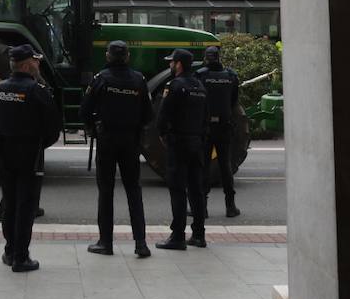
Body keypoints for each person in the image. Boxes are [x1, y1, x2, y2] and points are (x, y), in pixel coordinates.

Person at [0, 44, 61, 272]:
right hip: (29, 154)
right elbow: (54, 128)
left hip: (4, 152)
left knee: (10, 202)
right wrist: (39, 145)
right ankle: (21, 258)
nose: (38, 64)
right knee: (26, 205)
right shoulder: (37, 91)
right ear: (25, 64)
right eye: (35, 61)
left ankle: (9, 251)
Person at [80, 40, 153, 258]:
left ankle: (106, 242)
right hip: (131, 140)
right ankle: (141, 243)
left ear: (108, 57)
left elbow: (84, 111)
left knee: (106, 191)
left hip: (107, 139)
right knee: (134, 190)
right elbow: (149, 115)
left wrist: (94, 127)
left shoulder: (100, 79)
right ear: (128, 57)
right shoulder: (139, 80)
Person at [155, 48, 207, 251]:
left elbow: (163, 115)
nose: (170, 65)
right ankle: (199, 235)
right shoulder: (200, 86)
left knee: (178, 190)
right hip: (196, 143)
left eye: (171, 62)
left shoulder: (174, 86)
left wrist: (163, 135)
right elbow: (205, 117)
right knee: (196, 190)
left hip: (178, 143)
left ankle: (177, 236)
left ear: (178, 64)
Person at [196, 44, 241, 217]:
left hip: (206, 127)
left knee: (204, 166)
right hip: (224, 126)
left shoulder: (200, 76)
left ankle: (202, 207)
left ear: (206, 58)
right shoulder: (231, 76)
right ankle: (230, 206)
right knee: (225, 166)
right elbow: (233, 101)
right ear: (219, 57)